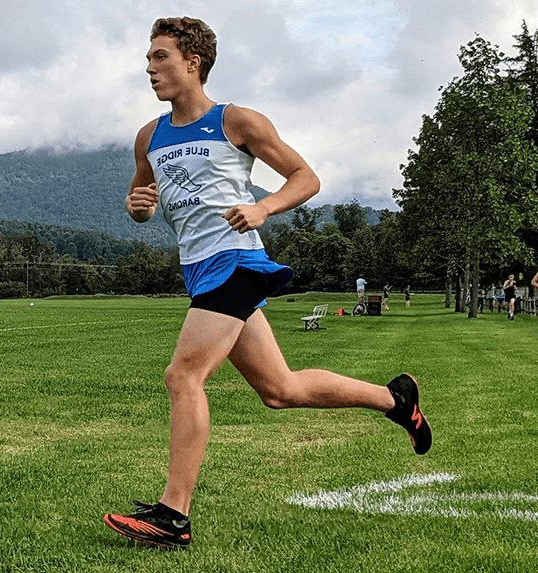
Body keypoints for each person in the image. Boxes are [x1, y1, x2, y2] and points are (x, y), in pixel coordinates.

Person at [102, 17, 432, 551]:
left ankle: (173, 516)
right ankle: (396, 400)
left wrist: (264, 207)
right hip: (200, 268)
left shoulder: (236, 121)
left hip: (237, 261)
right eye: (149, 58)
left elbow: (305, 177)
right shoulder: (150, 137)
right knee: (280, 390)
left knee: (183, 375)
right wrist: (137, 207)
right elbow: (143, 201)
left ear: (193, 62)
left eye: (160, 56)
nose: (149, 67)